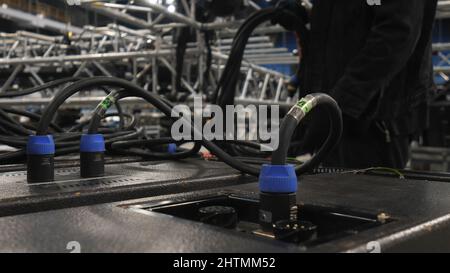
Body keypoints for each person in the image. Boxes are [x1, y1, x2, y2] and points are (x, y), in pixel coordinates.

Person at [293, 0, 438, 169]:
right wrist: (305, 12)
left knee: (364, 192)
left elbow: (397, 32)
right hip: (332, 110)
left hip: (374, 118)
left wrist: (341, 103)